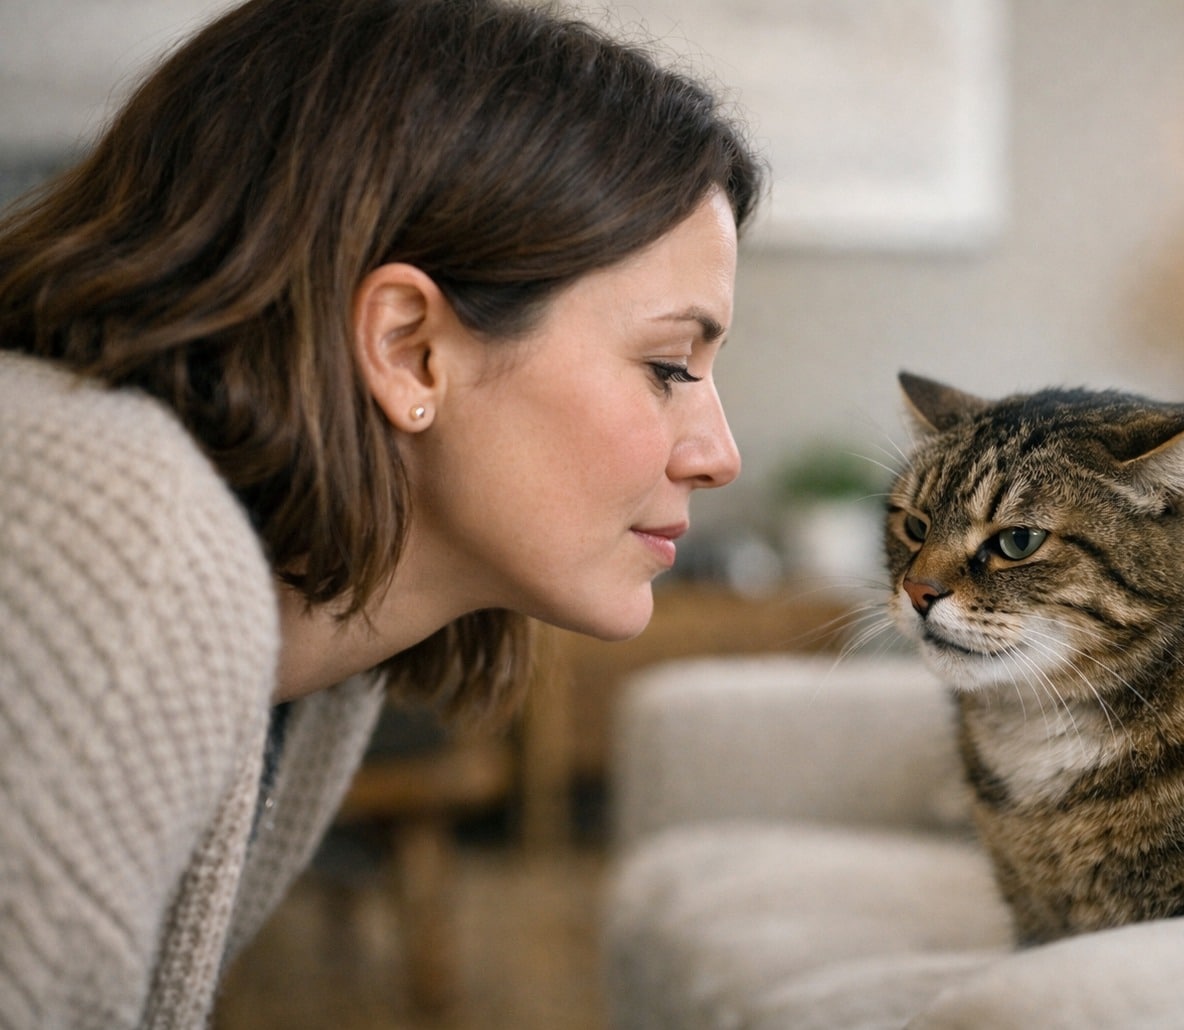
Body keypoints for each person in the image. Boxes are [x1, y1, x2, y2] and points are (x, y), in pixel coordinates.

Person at [0, 0, 763, 1024]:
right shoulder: (119, 544)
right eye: (669, 364)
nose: (720, 455)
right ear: (410, 349)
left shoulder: (326, 629)